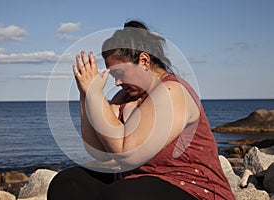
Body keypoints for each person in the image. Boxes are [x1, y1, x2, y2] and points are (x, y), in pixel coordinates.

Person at [47, 20, 235, 200]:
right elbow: (97, 150)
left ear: (144, 60)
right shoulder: (124, 98)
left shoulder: (173, 92)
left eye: (120, 74)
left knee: (123, 195)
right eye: (113, 76)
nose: (117, 83)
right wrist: (86, 94)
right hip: (136, 183)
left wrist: (96, 94)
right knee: (68, 183)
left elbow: (127, 154)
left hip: (189, 187)